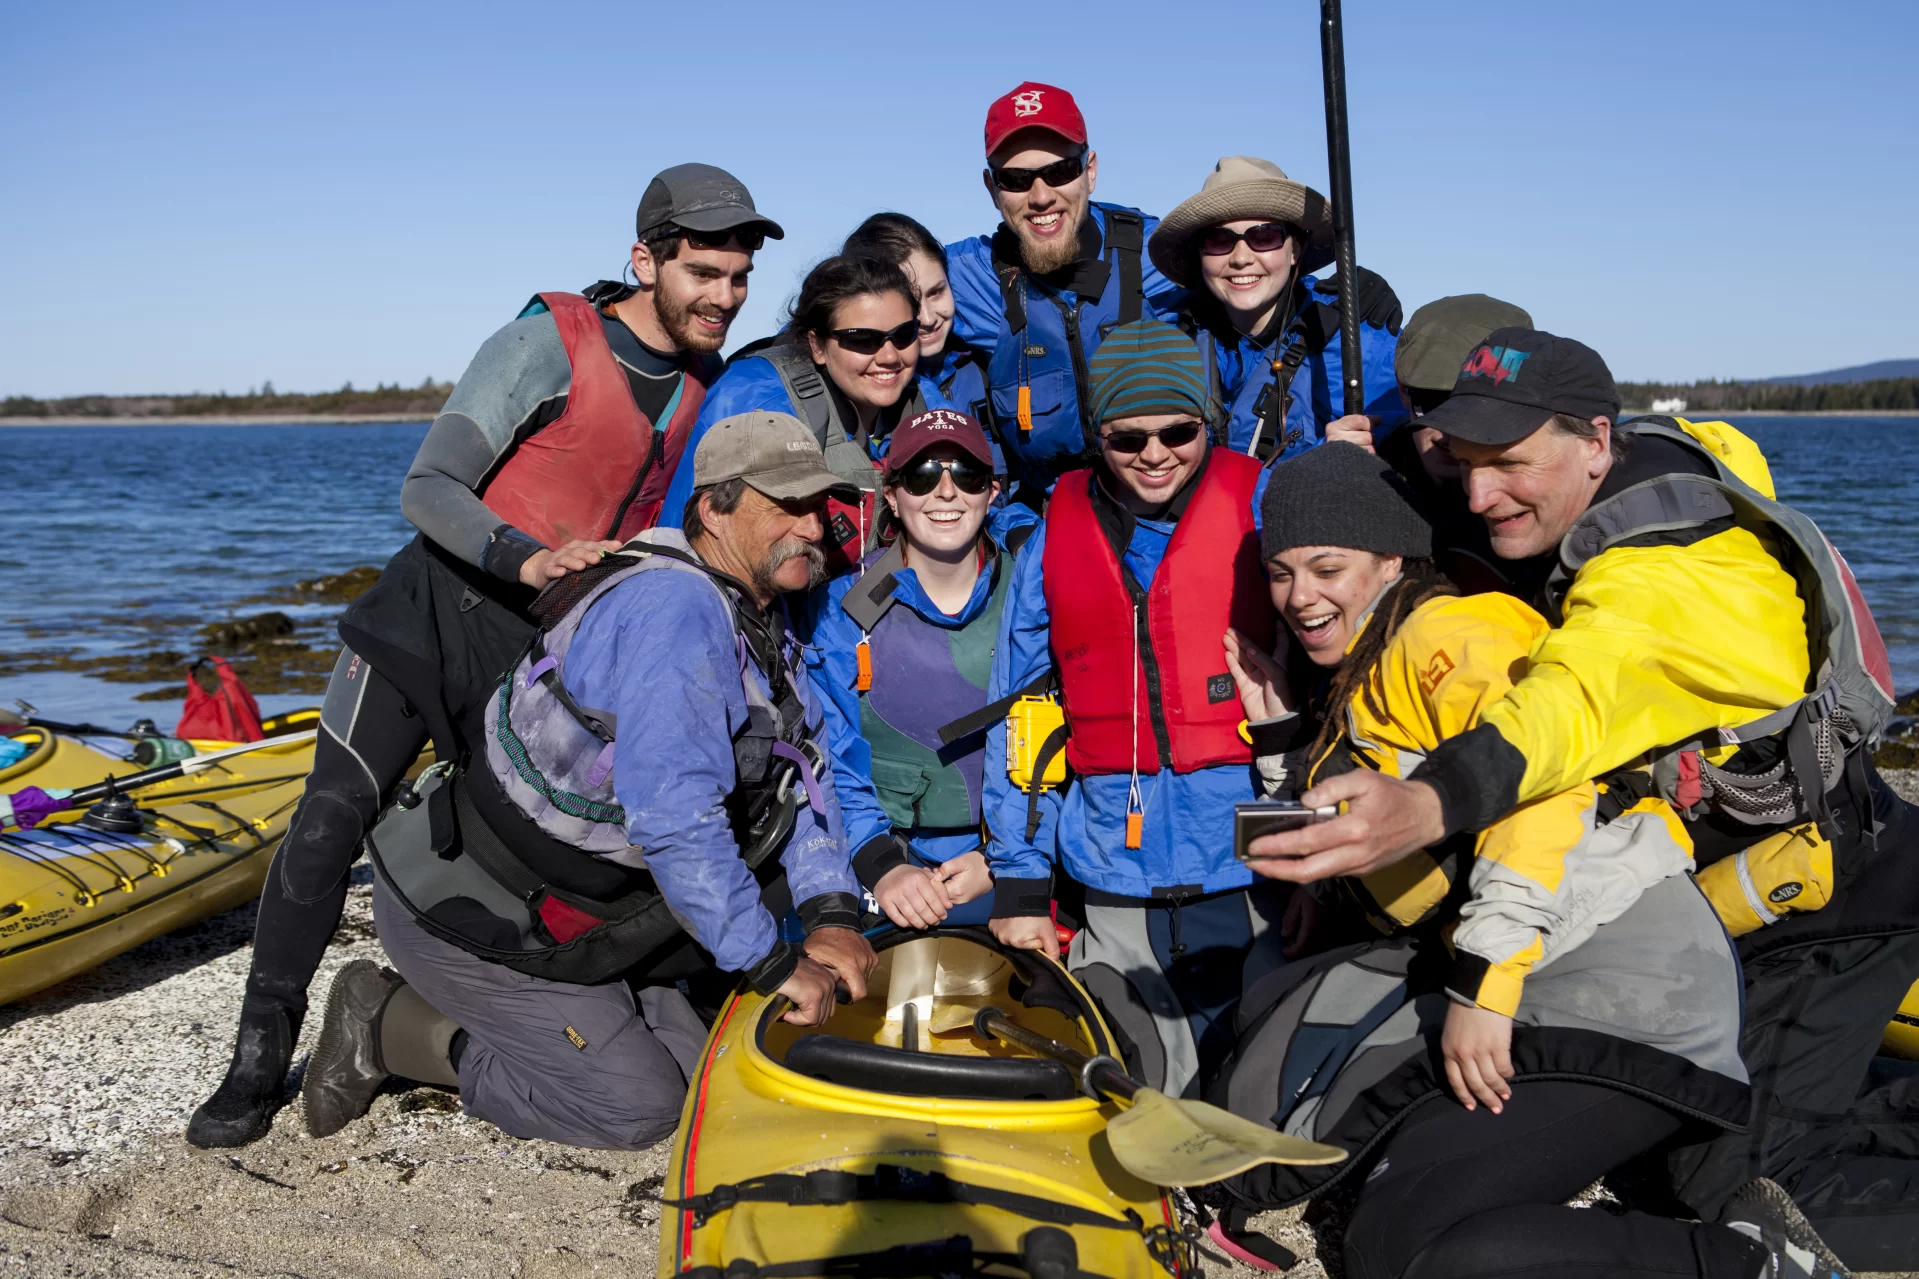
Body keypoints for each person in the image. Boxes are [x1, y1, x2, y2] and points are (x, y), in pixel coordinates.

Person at [1246, 328, 1919, 1269]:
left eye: (1510, 465)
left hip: (1829, 904)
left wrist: (1429, 804)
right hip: (1751, 882)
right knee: (1717, 1141)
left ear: (1596, 441)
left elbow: (1563, 711)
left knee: (1739, 1183)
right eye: (1464, 465)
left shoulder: (1660, 581)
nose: (1479, 497)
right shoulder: (1643, 480)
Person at [187, 163, 778, 1149]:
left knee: (502, 850)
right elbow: (428, 486)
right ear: (646, 259)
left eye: (737, 277)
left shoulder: (708, 390)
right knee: (332, 817)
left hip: (526, 661)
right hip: (430, 612)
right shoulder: (547, 343)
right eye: (703, 272)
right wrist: (528, 554)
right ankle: (256, 1056)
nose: (722, 295)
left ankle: (437, 1011)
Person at [299, 411, 878, 1150]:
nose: (811, 526)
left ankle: (575, 1014)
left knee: (708, 1078)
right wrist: (770, 963)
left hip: (591, 926)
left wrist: (831, 912)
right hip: (475, 915)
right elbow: (677, 820)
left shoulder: (759, 617)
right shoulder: (676, 612)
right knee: (636, 1109)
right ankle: (387, 1020)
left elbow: (806, 771)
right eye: (784, 506)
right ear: (712, 507)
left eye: (816, 505)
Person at [981, 320, 1280, 1100]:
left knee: (1250, 1080)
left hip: (1246, 867)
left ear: (1206, 424)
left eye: (1178, 431)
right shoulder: (1055, 534)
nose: (1154, 454)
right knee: (1132, 1083)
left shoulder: (1265, 506)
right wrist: (1020, 888)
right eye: (1126, 438)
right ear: (1097, 435)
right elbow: (1019, 715)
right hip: (1113, 868)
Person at [805, 409, 1006, 930]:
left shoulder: (1034, 593)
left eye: (967, 474)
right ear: (891, 496)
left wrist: (1005, 855)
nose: (946, 492)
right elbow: (830, 754)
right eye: (921, 476)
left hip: (1008, 863)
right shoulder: (842, 608)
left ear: (993, 491)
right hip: (884, 859)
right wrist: (882, 866)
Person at [946, 82, 1185, 498]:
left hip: (1161, 509)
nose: (1041, 197)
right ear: (991, 188)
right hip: (1046, 517)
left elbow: (1269, 281)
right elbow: (859, 288)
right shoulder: (965, 276)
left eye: (1060, 172)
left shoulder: (1161, 252)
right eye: (1016, 179)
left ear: (1090, 170)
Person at [658, 254, 960, 572]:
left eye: (903, 335)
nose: (888, 356)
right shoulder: (753, 398)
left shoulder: (928, 404)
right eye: (862, 339)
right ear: (816, 345)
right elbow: (680, 541)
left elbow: (980, 502)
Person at [1147, 156, 1406, 463]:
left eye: (1264, 236)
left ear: (1295, 250)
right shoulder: (1167, 340)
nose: (1241, 258)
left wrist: (1340, 464)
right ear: (1200, 255)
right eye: (1219, 240)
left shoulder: (1361, 347)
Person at [1377, 293, 1534, 594]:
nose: (1450, 429)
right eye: (1433, 402)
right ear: (1403, 393)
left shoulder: (1558, 482)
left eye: (1472, 403)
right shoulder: (1374, 466)